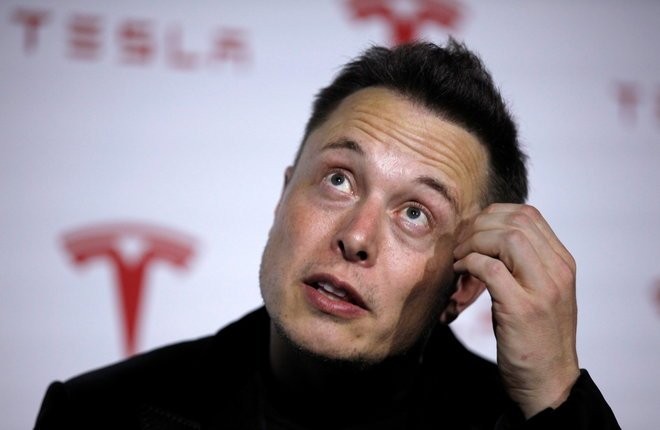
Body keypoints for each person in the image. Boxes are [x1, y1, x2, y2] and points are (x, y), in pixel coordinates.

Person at [34, 40, 620, 429]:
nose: (356, 238)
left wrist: (555, 394)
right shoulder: (97, 415)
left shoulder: (516, 423)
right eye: (339, 179)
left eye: (416, 214)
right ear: (283, 195)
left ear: (462, 286)